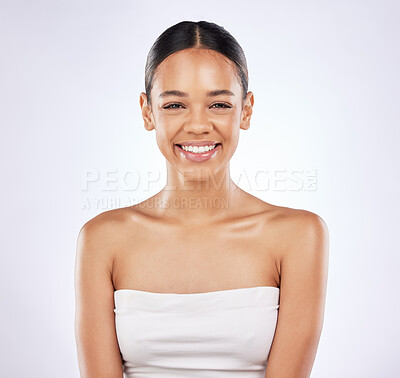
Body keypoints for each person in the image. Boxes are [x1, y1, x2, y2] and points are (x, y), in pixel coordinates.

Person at [74, 20, 329, 378]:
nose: (197, 125)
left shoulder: (299, 235)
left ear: (247, 110)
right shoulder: (102, 239)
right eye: (175, 105)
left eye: (219, 105)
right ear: (147, 111)